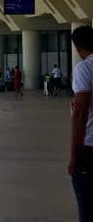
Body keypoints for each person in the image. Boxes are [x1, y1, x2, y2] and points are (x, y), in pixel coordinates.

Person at [69, 25, 93, 221]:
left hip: (90, 150)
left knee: (87, 208)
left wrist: (73, 154)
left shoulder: (84, 68)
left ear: (77, 47)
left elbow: (80, 113)